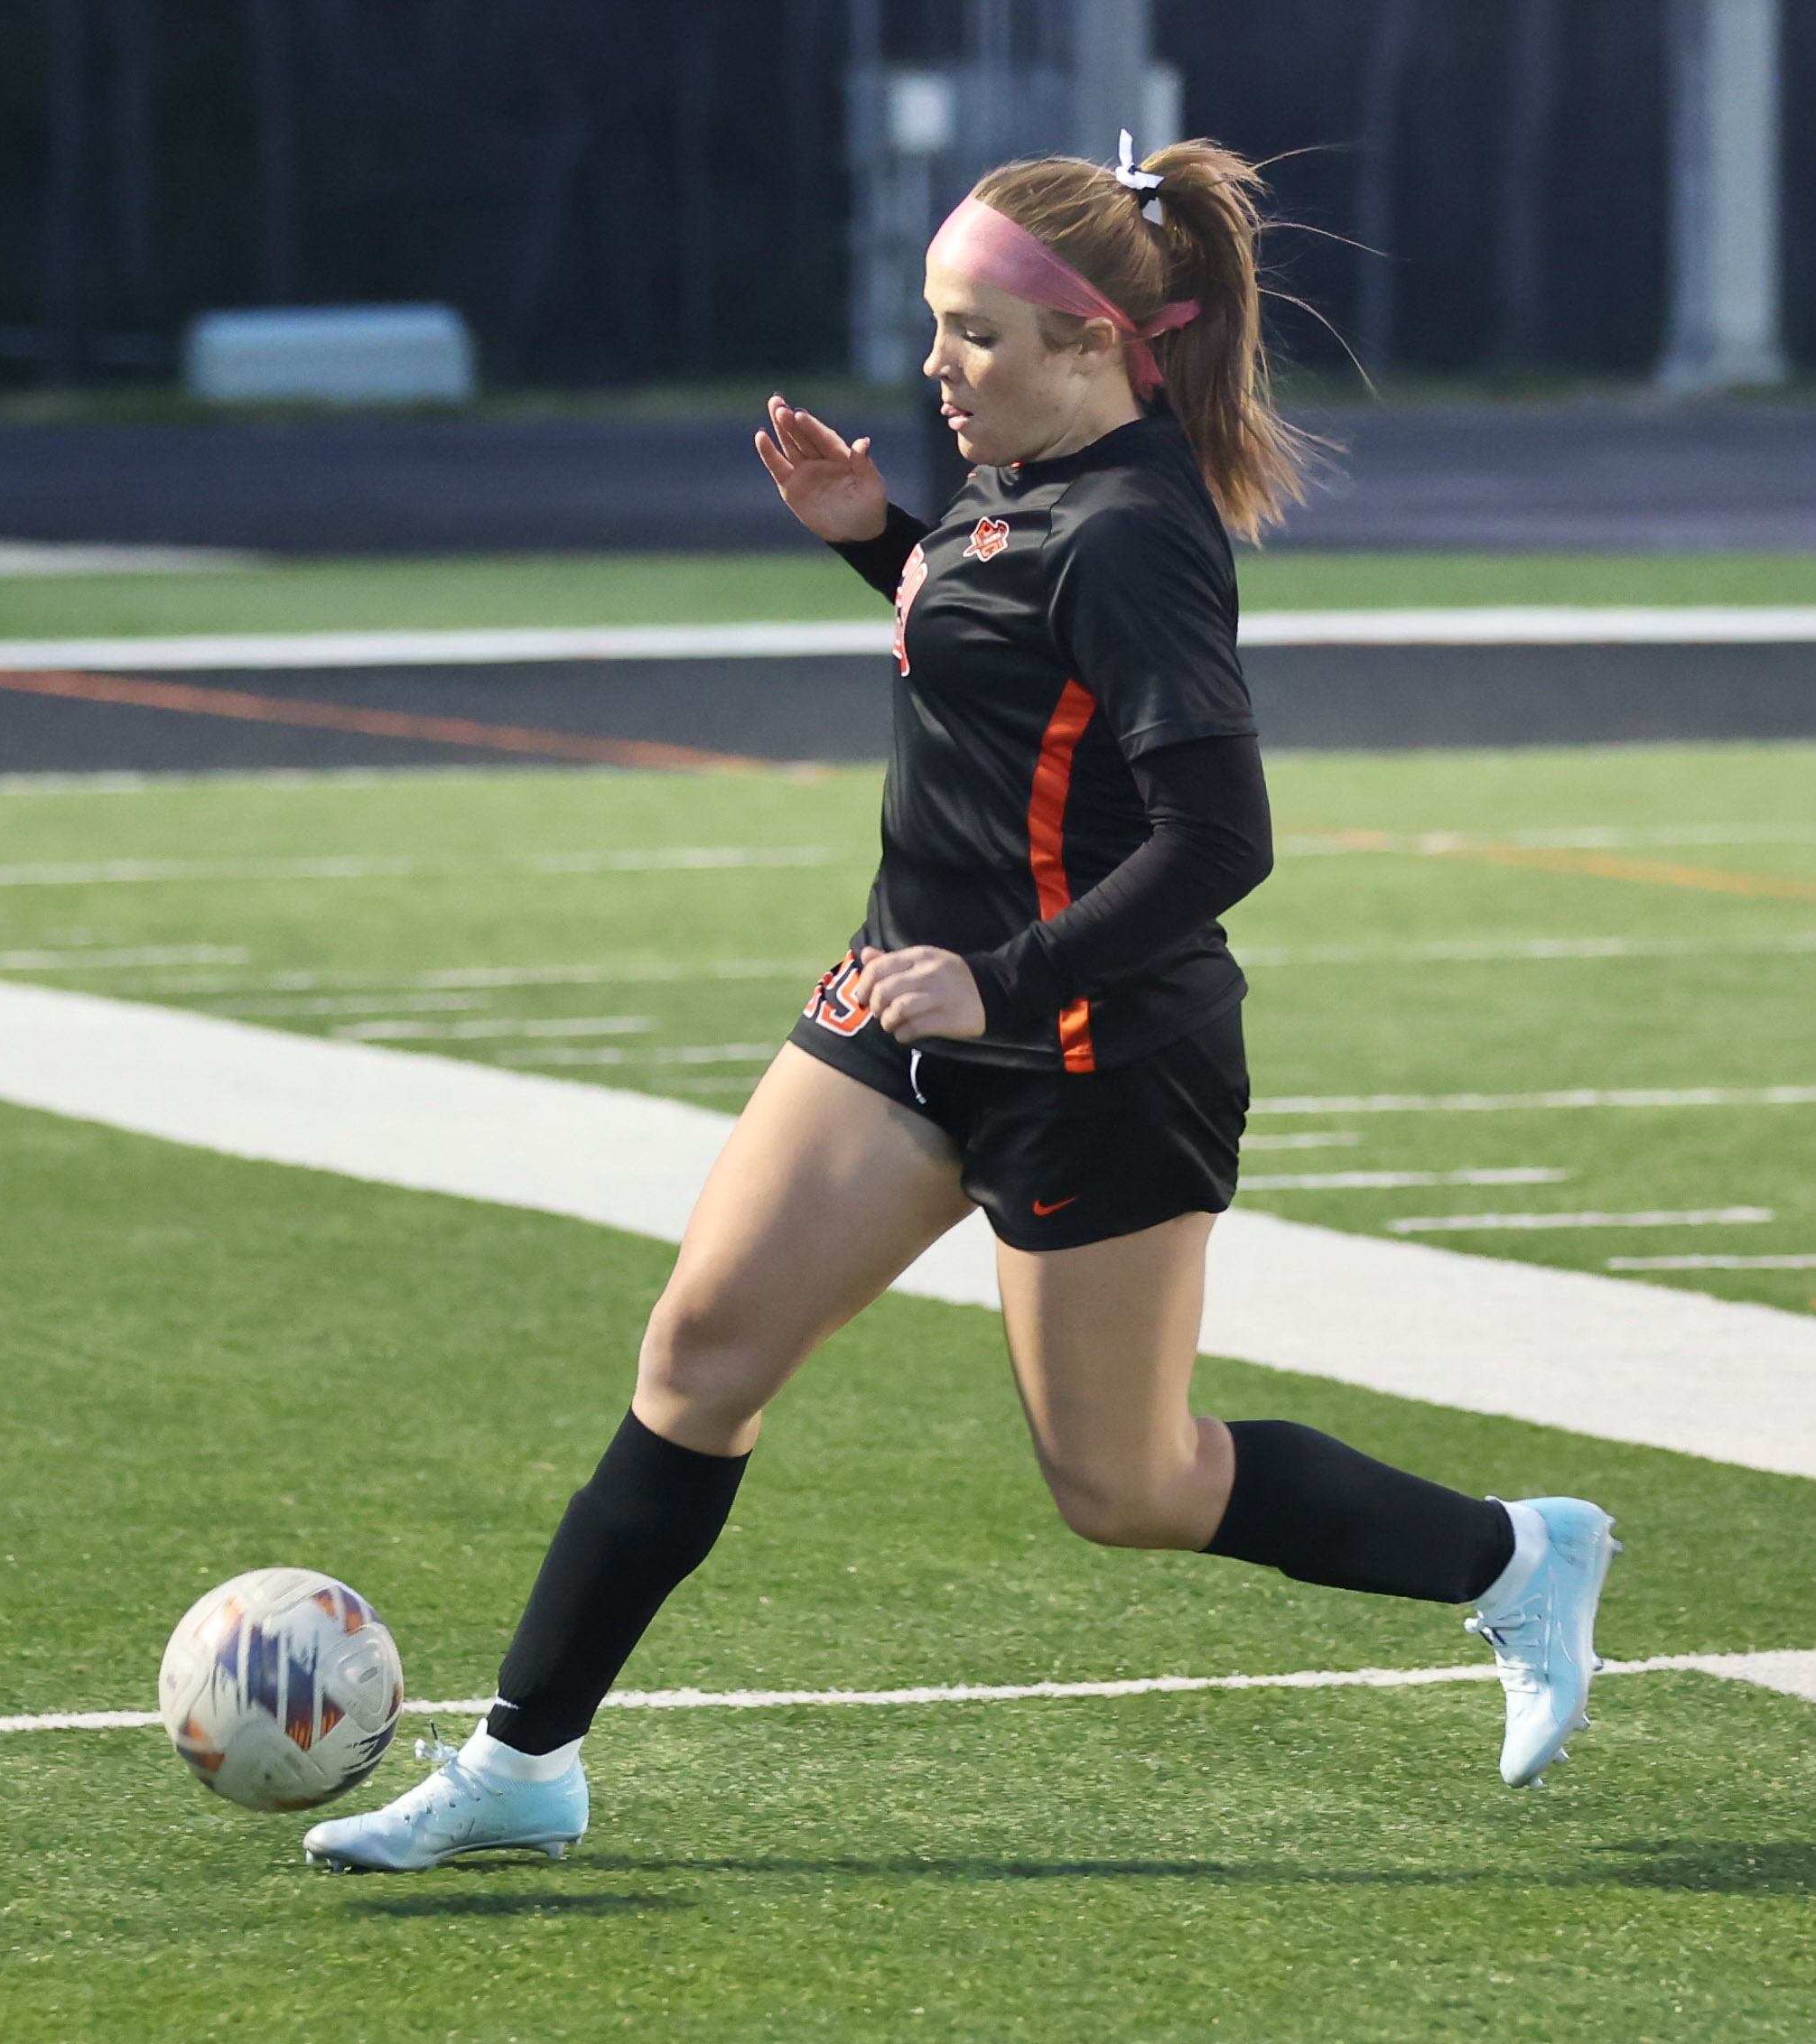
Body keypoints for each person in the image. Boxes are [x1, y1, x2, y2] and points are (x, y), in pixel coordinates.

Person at [303, 134, 1618, 1874]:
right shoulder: (1017, 483)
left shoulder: (1136, 530)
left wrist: (999, 980)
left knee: (1127, 1487)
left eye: (974, 333)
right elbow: (1007, 657)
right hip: (901, 1010)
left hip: (1091, 1053)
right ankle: (523, 1764)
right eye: (934, 324)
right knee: (699, 1361)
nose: (936, 365)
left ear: (1095, 345)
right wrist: (877, 541)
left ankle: (1515, 1558)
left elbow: (1222, 837)